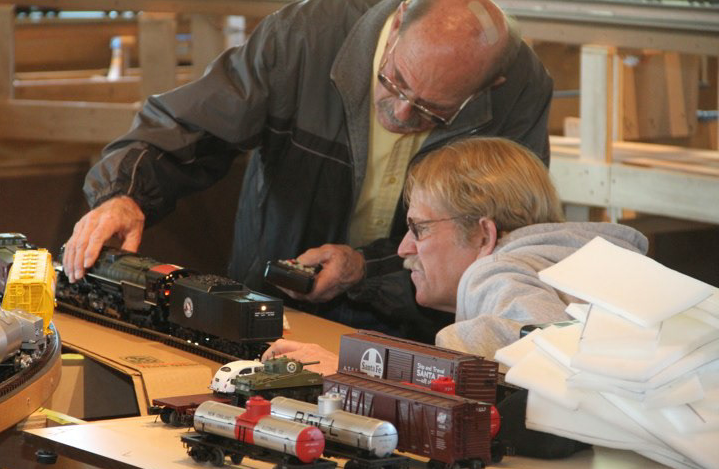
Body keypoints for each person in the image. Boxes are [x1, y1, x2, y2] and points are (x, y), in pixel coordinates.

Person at [62, 0, 553, 336]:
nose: (401, 113)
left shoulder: (521, 91)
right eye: (395, 80)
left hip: (422, 325)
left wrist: (366, 267)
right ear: (398, 21)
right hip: (269, 306)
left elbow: (500, 239)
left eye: (432, 110)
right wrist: (125, 195)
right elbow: (190, 124)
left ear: (491, 88)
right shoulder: (308, 36)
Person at [264, 137, 648, 369]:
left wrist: (353, 370)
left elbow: (541, 345)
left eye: (419, 229)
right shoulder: (577, 264)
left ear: (484, 235)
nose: (403, 249)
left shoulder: (497, 271)